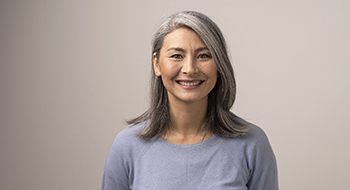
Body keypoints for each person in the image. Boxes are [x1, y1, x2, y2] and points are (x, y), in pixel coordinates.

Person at [102, 11, 278, 190]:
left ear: (219, 65)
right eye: (176, 56)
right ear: (156, 64)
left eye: (203, 56)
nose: (189, 69)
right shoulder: (127, 146)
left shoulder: (253, 144)